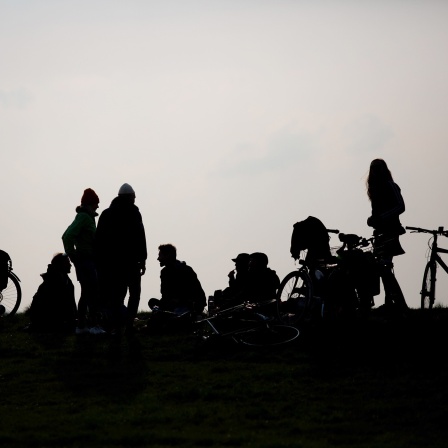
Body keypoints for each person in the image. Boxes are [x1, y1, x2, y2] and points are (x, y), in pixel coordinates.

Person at [95, 183, 147, 334]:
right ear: (130, 197)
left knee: (117, 295)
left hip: (112, 264)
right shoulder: (134, 212)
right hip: (131, 262)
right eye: (134, 196)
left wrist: (100, 263)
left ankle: (116, 325)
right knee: (134, 293)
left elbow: (99, 241)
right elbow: (140, 237)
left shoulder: (106, 214)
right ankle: (129, 324)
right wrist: (143, 258)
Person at [366, 158, 408, 313]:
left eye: (377, 168)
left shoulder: (391, 186)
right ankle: (391, 302)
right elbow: (375, 213)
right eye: (373, 168)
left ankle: (396, 303)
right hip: (380, 232)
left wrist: (382, 217)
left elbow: (401, 206)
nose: (375, 171)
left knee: (384, 265)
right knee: (382, 267)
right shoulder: (374, 189)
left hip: (391, 231)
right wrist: (372, 220)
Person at [62, 188, 104, 335]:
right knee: (92, 293)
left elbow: (66, 235)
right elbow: (67, 236)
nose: (98, 206)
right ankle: (93, 325)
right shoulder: (84, 218)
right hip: (85, 261)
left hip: (86, 260)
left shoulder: (85, 217)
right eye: (96, 203)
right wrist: (73, 256)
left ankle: (82, 326)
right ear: (90, 204)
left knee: (87, 293)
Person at [148, 244, 206, 316]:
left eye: (160, 255)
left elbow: (194, 292)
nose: (158, 258)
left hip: (188, 304)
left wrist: (179, 301)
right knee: (152, 302)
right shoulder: (165, 272)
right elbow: (165, 294)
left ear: (168, 255)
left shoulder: (184, 270)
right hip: (175, 304)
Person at [29, 253, 77, 333]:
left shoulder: (65, 280)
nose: (70, 265)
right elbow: (55, 305)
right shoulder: (54, 282)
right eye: (67, 262)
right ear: (61, 265)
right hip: (47, 320)